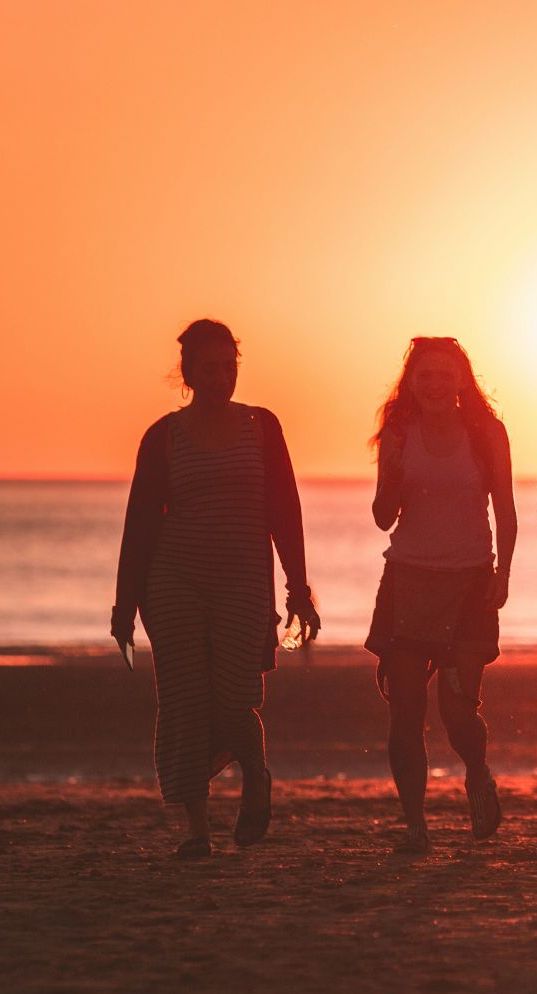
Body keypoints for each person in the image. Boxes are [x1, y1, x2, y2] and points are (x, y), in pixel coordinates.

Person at [112, 319, 320, 858]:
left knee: (234, 701)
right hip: (174, 581)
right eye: (210, 368)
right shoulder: (163, 436)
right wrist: (124, 606)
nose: (222, 377)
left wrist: (299, 590)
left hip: (243, 584)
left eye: (230, 366)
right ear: (188, 373)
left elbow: (285, 511)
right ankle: (197, 829)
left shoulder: (261, 427)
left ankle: (256, 776)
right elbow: (140, 524)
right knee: (183, 702)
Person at [366, 337, 516, 853]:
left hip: (471, 580)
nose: (434, 384)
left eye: (444, 375)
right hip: (408, 580)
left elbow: (506, 508)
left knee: (456, 710)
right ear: (410, 382)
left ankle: (477, 772)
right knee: (405, 712)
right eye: (424, 376)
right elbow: (384, 516)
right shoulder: (399, 433)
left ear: (460, 382)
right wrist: (391, 476)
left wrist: (505, 571)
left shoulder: (486, 433)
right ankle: (416, 827)